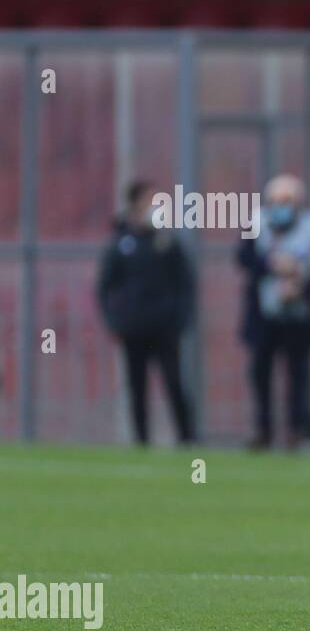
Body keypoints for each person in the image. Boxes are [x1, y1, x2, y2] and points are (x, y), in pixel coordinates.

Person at [97, 179, 195, 445]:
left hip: (165, 327)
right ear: (135, 204)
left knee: (174, 382)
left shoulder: (167, 243)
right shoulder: (121, 243)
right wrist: (114, 321)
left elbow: (185, 283)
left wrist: (181, 318)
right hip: (134, 328)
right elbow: (105, 287)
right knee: (137, 388)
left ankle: (188, 439)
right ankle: (142, 441)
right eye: (149, 201)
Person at [237, 174, 310, 449]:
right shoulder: (255, 223)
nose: (281, 206)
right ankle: (262, 429)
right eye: (276, 200)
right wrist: (272, 265)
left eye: (287, 201)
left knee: (298, 375)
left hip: (299, 315)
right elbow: (243, 258)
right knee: (260, 373)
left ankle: (297, 429)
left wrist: (301, 287)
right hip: (263, 314)